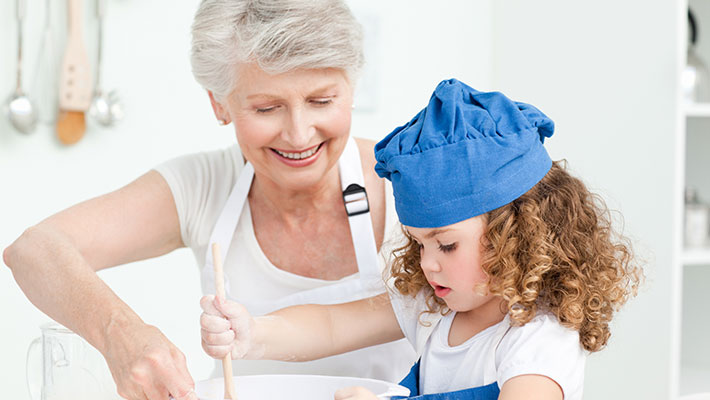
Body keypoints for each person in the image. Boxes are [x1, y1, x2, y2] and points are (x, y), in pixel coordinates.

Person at [3, 0, 416, 399]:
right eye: (267, 108)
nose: (299, 133)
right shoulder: (203, 186)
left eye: (321, 101)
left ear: (351, 87)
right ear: (220, 104)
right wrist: (121, 334)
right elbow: (34, 250)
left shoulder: (410, 181)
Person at [199, 79, 643, 400]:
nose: (428, 264)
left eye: (446, 245)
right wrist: (252, 333)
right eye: (418, 245)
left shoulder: (538, 337)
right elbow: (332, 326)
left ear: (519, 235)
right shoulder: (434, 307)